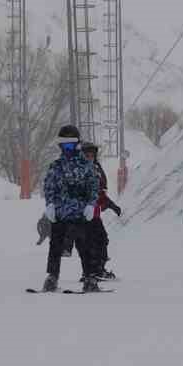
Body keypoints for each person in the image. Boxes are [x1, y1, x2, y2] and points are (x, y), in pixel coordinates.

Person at [38, 125, 102, 293]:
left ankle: (90, 278)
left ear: (77, 145)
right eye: (64, 145)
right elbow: (49, 186)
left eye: (70, 145)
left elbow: (94, 186)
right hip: (60, 214)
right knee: (55, 246)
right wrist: (50, 204)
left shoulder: (86, 166)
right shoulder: (56, 166)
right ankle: (52, 276)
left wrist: (90, 204)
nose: (67, 149)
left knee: (85, 246)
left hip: (80, 214)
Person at [82, 142, 123, 280]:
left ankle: (96, 270)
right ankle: (93, 271)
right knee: (92, 242)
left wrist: (112, 206)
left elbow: (101, 194)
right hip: (83, 215)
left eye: (92, 155)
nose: (89, 157)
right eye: (86, 155)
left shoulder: (96, 168)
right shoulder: (80, 170)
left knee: (101, 240)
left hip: (94, 213)